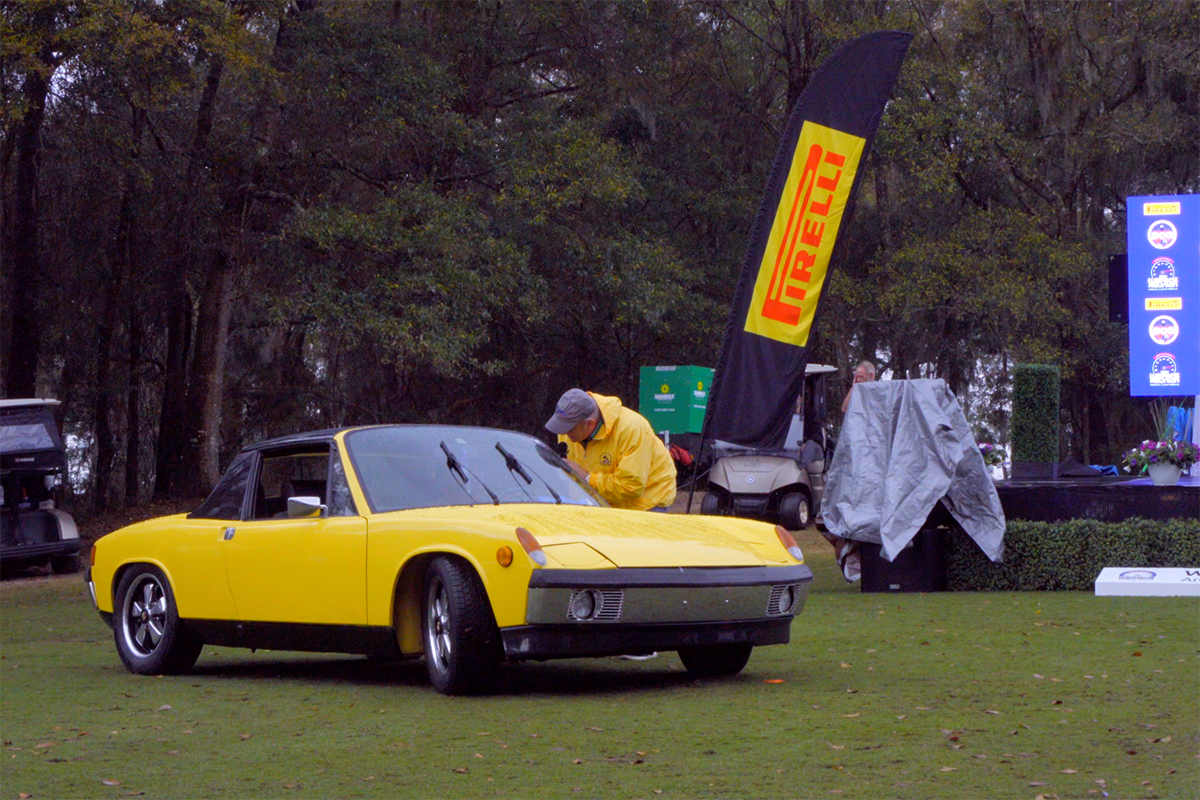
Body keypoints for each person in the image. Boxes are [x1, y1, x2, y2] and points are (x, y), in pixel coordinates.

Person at [545, 388, 677, 511]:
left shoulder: (631, 429)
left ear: (590, 423)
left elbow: (631, 487)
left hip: (646, 502)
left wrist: (586, 478)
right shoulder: (570, 427)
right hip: (600, 502)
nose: (564, 433)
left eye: (569, 429)